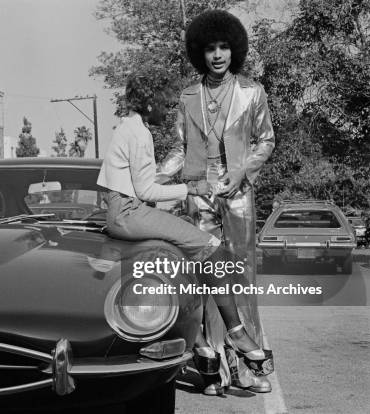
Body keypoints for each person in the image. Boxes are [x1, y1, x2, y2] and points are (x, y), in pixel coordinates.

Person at [98, 74, 274, 377]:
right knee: (213, 249)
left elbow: (128, 183)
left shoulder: (124, 129)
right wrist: (192, 189)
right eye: (163, 105)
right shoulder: (139, 133)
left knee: (186, 255)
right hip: (131, 212)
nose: (166, 112)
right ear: (149, 102)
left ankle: (201, 342)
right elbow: (146, 192)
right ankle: (236, 332)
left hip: (122, 212)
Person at [158, 10, 276, 395]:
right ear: (200, 53)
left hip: (238, 195)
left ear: (234, 50)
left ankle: (247, 368)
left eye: (224, 46)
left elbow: (266, 141)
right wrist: (154, 180)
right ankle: (212, 369)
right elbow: (178, 148)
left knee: (240, 279)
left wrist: (242, 172)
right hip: (198, 195)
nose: (218, 54)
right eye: (210, 48)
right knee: (206, 280)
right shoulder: (187, 97)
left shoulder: (252, 93)